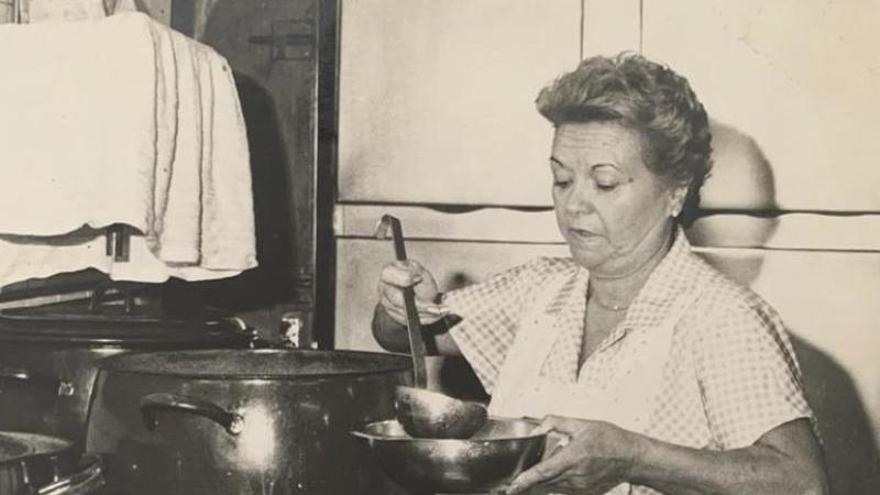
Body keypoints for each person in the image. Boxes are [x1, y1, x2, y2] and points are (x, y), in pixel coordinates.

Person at [372, 53, 828, 494]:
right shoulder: (539, 291)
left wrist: (635, 459)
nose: (574, 204)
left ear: (675, 192)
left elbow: (801, 483)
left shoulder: (721, 318)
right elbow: (399, 337)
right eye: (562, 180)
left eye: (604, 182)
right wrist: (403, 303)